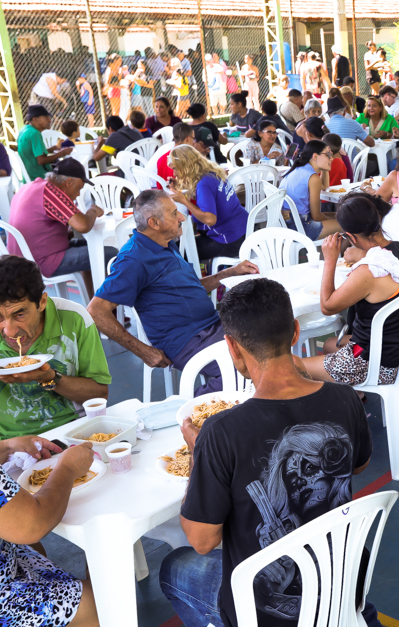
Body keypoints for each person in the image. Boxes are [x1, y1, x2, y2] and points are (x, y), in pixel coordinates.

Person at [158, 277, 378, 627]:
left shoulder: (220, 432)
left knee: (174, 567)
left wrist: (200, 453)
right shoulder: (346, 398)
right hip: (342, 589)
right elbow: (360, 463)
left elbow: (201, 540)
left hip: (263, 615)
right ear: (294, 332)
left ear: (231, 347)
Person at [88, 190, 257, 392]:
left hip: (211, 325)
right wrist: (144, 351)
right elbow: (96, 311)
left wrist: (231, 272)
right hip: (186, 340)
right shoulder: (133, 260)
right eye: (173, 213)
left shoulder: (165, 242)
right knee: (244, 369)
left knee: (268, 344)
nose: (182, 217)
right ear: (154, 223)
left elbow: (192, 287)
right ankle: (191, 413)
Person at [298, 196, 399, 386]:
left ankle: (345, 404)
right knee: (329, 345)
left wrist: (330, 260)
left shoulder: (368, 272)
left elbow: (327, 306)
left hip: (373, 363)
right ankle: (356, 396)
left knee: (295, 366)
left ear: (350, 237)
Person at [0, 256, 110, 437]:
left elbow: (99, 395)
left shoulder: (74, 319)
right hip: (7, 443)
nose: (10, 331)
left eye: (19, 315)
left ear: (42, 302)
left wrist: (51, 378)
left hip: (73, 431)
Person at [0, 433, 100, 625]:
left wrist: (7, 447)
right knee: (99, 605)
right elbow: (31, 526)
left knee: (35, 548)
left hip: (8, 560)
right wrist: (68, 468)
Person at [7, 158, 113, 296]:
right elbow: (83, 225)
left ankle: (94, 299)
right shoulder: (51, 192)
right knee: (110, 254)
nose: (79, 194)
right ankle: (105, 308)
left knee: (93, 246)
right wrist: (92, 211)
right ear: (69, 183)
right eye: (79, 188)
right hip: (39, 263)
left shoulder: (31, 186)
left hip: (24, 258)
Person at [168, 145, 250, 260]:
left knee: (173, 252)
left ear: (185, 166)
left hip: (229, 240)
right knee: (184, 244)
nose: (175, 174)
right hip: (244, 230)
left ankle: (194, 276)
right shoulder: (212, 171)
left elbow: (210, 220)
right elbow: (211, 197)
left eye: (176, 169)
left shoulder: (204, 184)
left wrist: (184, 201)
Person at [278, 139, 342, 240]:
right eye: (328, 155)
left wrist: (325, 169)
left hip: (288, 223)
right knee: (349, 223)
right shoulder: (313, 178)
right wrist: (331, 219)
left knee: (340, 215)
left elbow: (324, 186)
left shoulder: (300, 169)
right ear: (315, 157)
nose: (332, 158)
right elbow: (316, 216)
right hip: (301, 227)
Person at [17, 105, 72, 182]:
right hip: (39, 176)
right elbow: (41, 160)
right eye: (46, 118)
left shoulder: (24, 130)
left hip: (28, 175)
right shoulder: (35, 133)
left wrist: (50, 149)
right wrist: (61, 153)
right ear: (35, 119)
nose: (50, 121)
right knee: (73, 170)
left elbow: (32, 153)